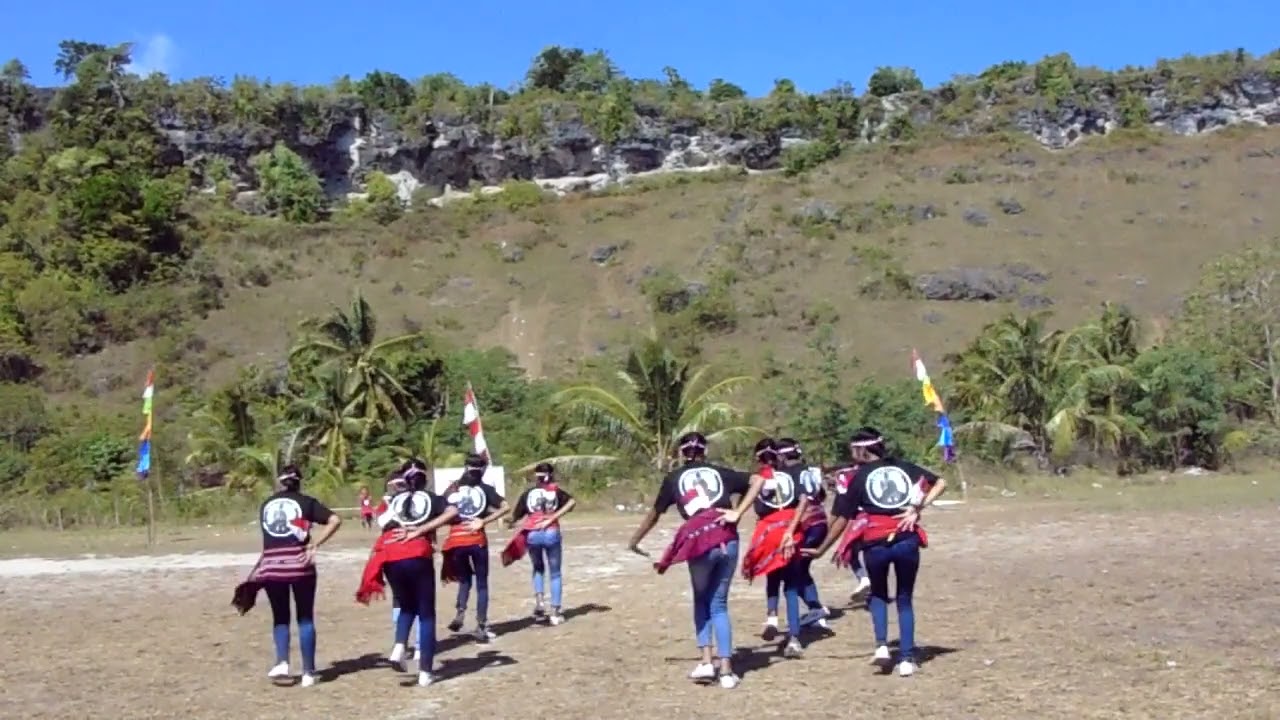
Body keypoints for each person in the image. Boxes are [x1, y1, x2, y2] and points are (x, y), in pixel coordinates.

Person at [803, 427, 948, 677]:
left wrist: (821, 550)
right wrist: (917, 507)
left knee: (879, 595)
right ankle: (906, 658)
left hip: (875, 542)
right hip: (906, 538)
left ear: (862, 449)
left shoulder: (857, 477)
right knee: (904, 598)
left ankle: (881, 646)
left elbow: (842, 520)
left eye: (853, 449)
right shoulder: (903, 467)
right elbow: (941, 481)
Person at [627, 431, 765, 689]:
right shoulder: (720, 472)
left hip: (699, 541)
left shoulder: (673, 478)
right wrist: (738, 512)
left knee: (702, 599)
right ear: (705, 451)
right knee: (720, 604)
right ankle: (726, 669)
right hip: (726, 536)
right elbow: (758, 480)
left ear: (682, 453)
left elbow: (654, 515)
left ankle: (705, 661)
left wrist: (635, 540)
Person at [232, 465, 342, 687]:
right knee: (305, 618)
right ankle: (309, 672)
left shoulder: (266, 505)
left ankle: (282, 661)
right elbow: (335, 520)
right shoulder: (306, 502)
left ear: (280, 482)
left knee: (280, 617)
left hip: (272, 566)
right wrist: (315, 545)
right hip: (300, 564)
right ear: (299, 482)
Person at [355, 468, 459, 687]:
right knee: (426, 613)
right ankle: (425, 672)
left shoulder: (393, 500)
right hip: (417, 553)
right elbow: (452, 512)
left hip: (390, 555)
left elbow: (384, 523)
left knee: (406, 606)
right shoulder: (428, 497)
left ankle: (399, 646)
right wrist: (422, 529)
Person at [740, 438, 807, 659]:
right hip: (790, 527)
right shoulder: (792, 474)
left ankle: (771, 617)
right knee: (791, 586)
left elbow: (752, 504)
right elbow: (804, 501)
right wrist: (791, 529)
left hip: (768, 530)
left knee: (772, 577)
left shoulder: (757, 479)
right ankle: (795, 638)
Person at [441, 453, 510, 641]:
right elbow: (505, 507)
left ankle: (460, 612)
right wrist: (484, 520)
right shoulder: (485, 489)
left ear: (465, 467)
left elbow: (442, 510)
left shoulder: (453, 488)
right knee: (482, 584)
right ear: (482, 469)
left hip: (456, 540)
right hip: (477, 539)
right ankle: (481, 623)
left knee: (464, 580)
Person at [502, 462, 577, 625]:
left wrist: (508, 522)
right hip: (551, 532)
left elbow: (515, 518)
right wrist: (553, 517)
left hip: (533, 534)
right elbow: (572, 502)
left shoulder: (528, 494)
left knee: (538, 568)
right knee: (555, 573)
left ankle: (540, 603)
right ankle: (555, 611)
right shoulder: (555, 491)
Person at [774, 438, 831, 630]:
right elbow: (822, 495)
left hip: (804, 525)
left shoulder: (785, 475)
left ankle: (816, 609)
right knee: (801, 569)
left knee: (790, 572)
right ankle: (816, 612)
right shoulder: (809, 470)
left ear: (781, 455)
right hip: (821, 522)